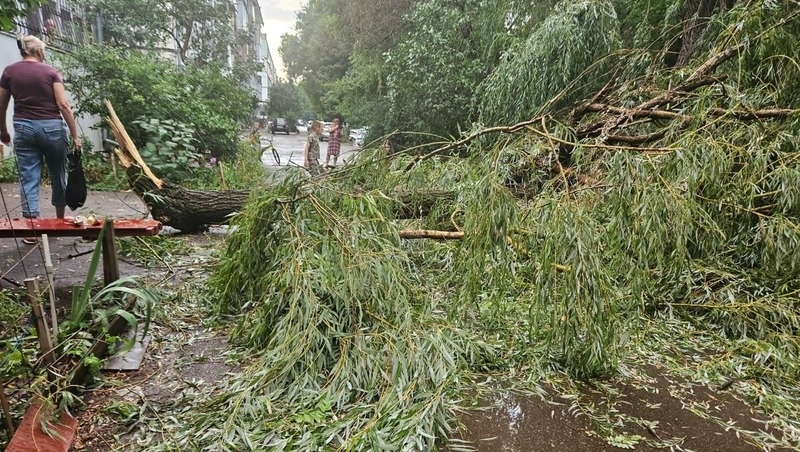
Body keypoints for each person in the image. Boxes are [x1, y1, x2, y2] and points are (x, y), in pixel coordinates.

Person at [0, 35, 82, 243]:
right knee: (58, 173)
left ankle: (30, 230)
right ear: (39, 51)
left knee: (28, 177)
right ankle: (60, 222)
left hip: (23, 127)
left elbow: (1, 104)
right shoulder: (51, 72)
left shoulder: (9, 72)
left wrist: (3, 129)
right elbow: (63, 105)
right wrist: (75, 135)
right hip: (52, 128)